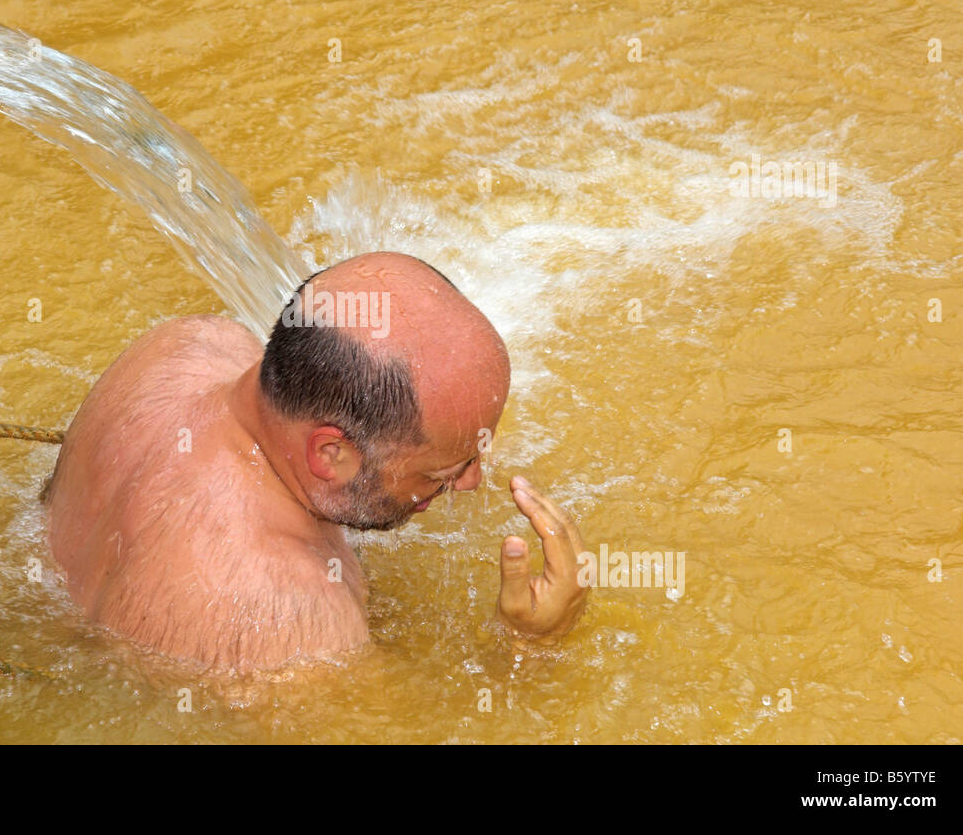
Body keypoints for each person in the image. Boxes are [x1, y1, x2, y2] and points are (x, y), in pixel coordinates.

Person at [44, 251, 587, 671]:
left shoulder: (187, 346)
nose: (473, 481)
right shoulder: (287, 619)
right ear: (331, 453)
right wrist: (531, 646)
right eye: (443, 472)